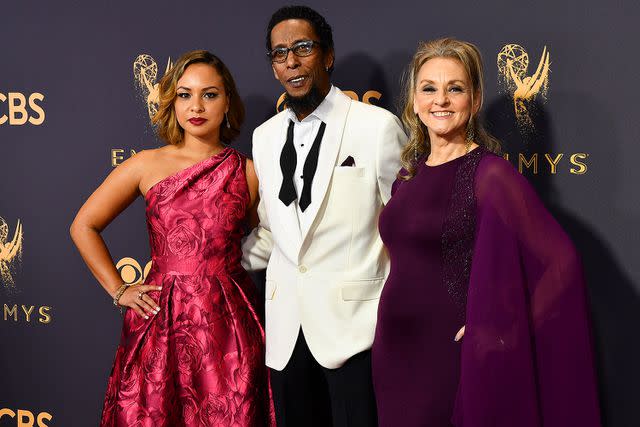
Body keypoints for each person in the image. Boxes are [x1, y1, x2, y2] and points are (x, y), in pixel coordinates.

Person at [371, 38, 601, 426]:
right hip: (394, 347)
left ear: (475, 100)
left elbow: (561, 263)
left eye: (455, 88)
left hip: (448, 351)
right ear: (413, 99)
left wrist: (505, 328)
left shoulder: (490, 174)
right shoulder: (408, 174)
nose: (440, 100)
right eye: (429, 88)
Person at [70, 50, 274, 426]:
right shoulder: (146, 164)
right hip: (160, 321)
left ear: (227, 101)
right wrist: (119, 290)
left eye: (209, 94)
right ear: (171, 102)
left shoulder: (247, 171)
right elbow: (83, 225)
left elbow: (267, 241)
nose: (196, 106)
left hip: (227, 324)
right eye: (185, 94)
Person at [241, 5, 406, 426]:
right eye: (280, 54)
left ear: (328, 55)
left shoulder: (376, 127)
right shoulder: (264, 136)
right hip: (285, 329)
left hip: (355, 328)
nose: (291, 61)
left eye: (302, 48)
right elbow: (271, 230)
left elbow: (406, 226)